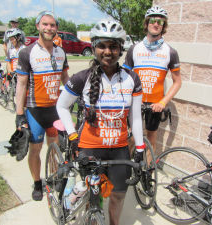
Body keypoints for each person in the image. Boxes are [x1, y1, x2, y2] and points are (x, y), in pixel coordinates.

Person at [57, 19, 145, 225]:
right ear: (95, 47)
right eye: (102, 46)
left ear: (120, 49)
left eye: (113, 46)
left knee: (118, 195)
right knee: (93, 196)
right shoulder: (82, 78)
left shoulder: (132, 78)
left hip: (119, 148)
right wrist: (72, 134)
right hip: (90, 147)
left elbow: (135, 117)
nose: (108, 51)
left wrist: (140, 146)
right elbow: (61, 106)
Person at [15, 11, 69, 201]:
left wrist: (74, 97)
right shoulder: (27, 52)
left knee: (54, 148)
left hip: (55, 111)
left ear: (56, 28)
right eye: (45, 24)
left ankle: (53, 178)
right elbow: (21, 85)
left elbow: (66, 78)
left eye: (52, 25)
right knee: (35, 150)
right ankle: (38, 182)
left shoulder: (60, 52)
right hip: (35, 112)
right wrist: (19, 114)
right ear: (38, 26)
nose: (49, 28)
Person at [123, 5, 182, 155]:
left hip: (156, 104)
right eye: (153, 20)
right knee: (131, 137)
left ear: (163, 26)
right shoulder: (134, 49)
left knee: (151, 138)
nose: (156, 24)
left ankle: (148, 173)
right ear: (147, 23)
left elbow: (177, 82)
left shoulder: (170, 52)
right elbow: (124, 76)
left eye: (160, 22)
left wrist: (163, 102)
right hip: (136, 100)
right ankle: (129, 170)